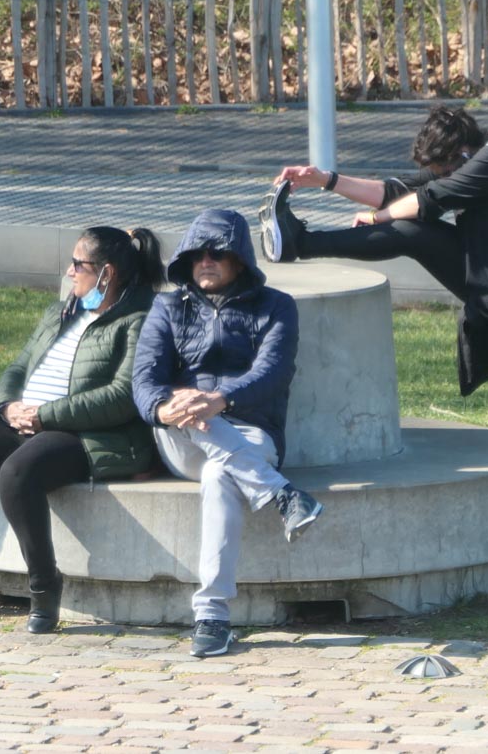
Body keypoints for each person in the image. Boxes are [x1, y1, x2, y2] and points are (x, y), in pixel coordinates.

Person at [259, 103, 488, 569]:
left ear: (462, 154)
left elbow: (429, 199)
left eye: (443, 167)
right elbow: (400, 192)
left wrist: (377, 219)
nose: (439, 174)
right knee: (410, 229)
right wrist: (326, 180)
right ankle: (298, 242)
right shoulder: (467, 160)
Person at [0, 226, 164, 633]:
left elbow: (122, 396)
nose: (69, 271)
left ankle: (44, 587)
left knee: (18, 473)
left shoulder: (141, 319)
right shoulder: (61, 313)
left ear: (107, 273)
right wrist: (7, 407)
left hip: (86, 434)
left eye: (78, 264)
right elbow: (18, 367)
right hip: (26, 421)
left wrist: (47, 415)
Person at [132, 208, 322, 658]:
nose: (205, 261)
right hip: (181, 434)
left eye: (216, 253)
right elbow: (143, 379)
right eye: (197, 254)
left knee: (221, 473)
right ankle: (281, 494)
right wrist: (165, 406)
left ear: (239, 259)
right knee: (191, 412)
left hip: (252, 431)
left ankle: (212, 617)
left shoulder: (277, 306)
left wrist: (221, 399)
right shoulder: (167, 307)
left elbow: (274, 372)